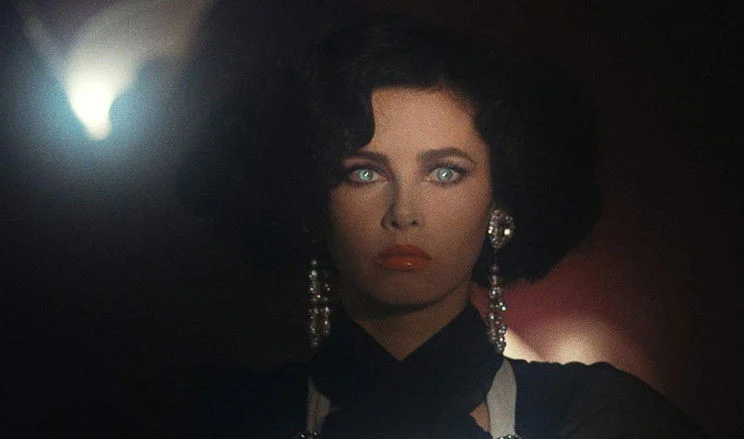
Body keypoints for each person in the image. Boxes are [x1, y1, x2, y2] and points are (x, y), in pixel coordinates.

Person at [247, 14, 708, 439]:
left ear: (499, 202)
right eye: (365, 173)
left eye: (445, 173)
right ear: (313, 203)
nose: (404, 213)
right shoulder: (234, 414)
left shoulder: (595, 414)